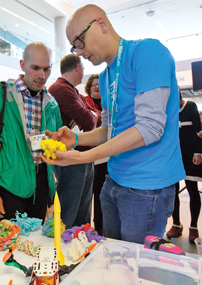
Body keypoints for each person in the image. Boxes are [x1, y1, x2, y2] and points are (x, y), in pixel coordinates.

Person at [42, 4, 186, 244]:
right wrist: (76, 139)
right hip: (115, 181)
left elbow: (150, 128)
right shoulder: (107, 74)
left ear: (101, 24)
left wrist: (83, 157)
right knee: (114, 262)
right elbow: (110, 129)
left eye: (80, 42)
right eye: (74, 46)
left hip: (147, 186)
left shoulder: (148, 52)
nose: (79, 52)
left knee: (135, 270)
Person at [0, 42, 62, 225]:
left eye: (47, 69)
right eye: (35, 68)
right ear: (23, 65)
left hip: (41, 185)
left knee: (32, 247)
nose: (42, 75)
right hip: (9, 185)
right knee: (4, 248)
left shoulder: (52, 103)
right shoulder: (1, 94)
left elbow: (56, 143)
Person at [48, 54, 101, 229]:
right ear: (77, 67)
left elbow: (95, 117)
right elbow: (89, 120)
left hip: (82, 155)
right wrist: (91, 115)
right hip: (70, 158)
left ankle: (81, 246)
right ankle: (63, 249)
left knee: (83, 212)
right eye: (83, 69)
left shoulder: (73, 91)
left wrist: (91, 114)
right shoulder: (60, 89)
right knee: (69, 211)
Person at [166, 91, 202, 243]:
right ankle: (176, 224)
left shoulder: (191, 107)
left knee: (192, 190)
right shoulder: (167, 110)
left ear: (178, 94)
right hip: (173, 157)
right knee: (173, 192)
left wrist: (198, 152)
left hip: (190, 156)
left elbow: (199, 132)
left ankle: (193, 227)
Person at [85, 74, 108, 235]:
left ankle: (101, 227)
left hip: (109, 155)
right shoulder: (84, 103)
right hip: (90, 156)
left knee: (104, 194)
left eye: (99, 84)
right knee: (91, 194)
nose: (97, 87)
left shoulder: (108, 103)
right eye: (94, 84)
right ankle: (93, 226)